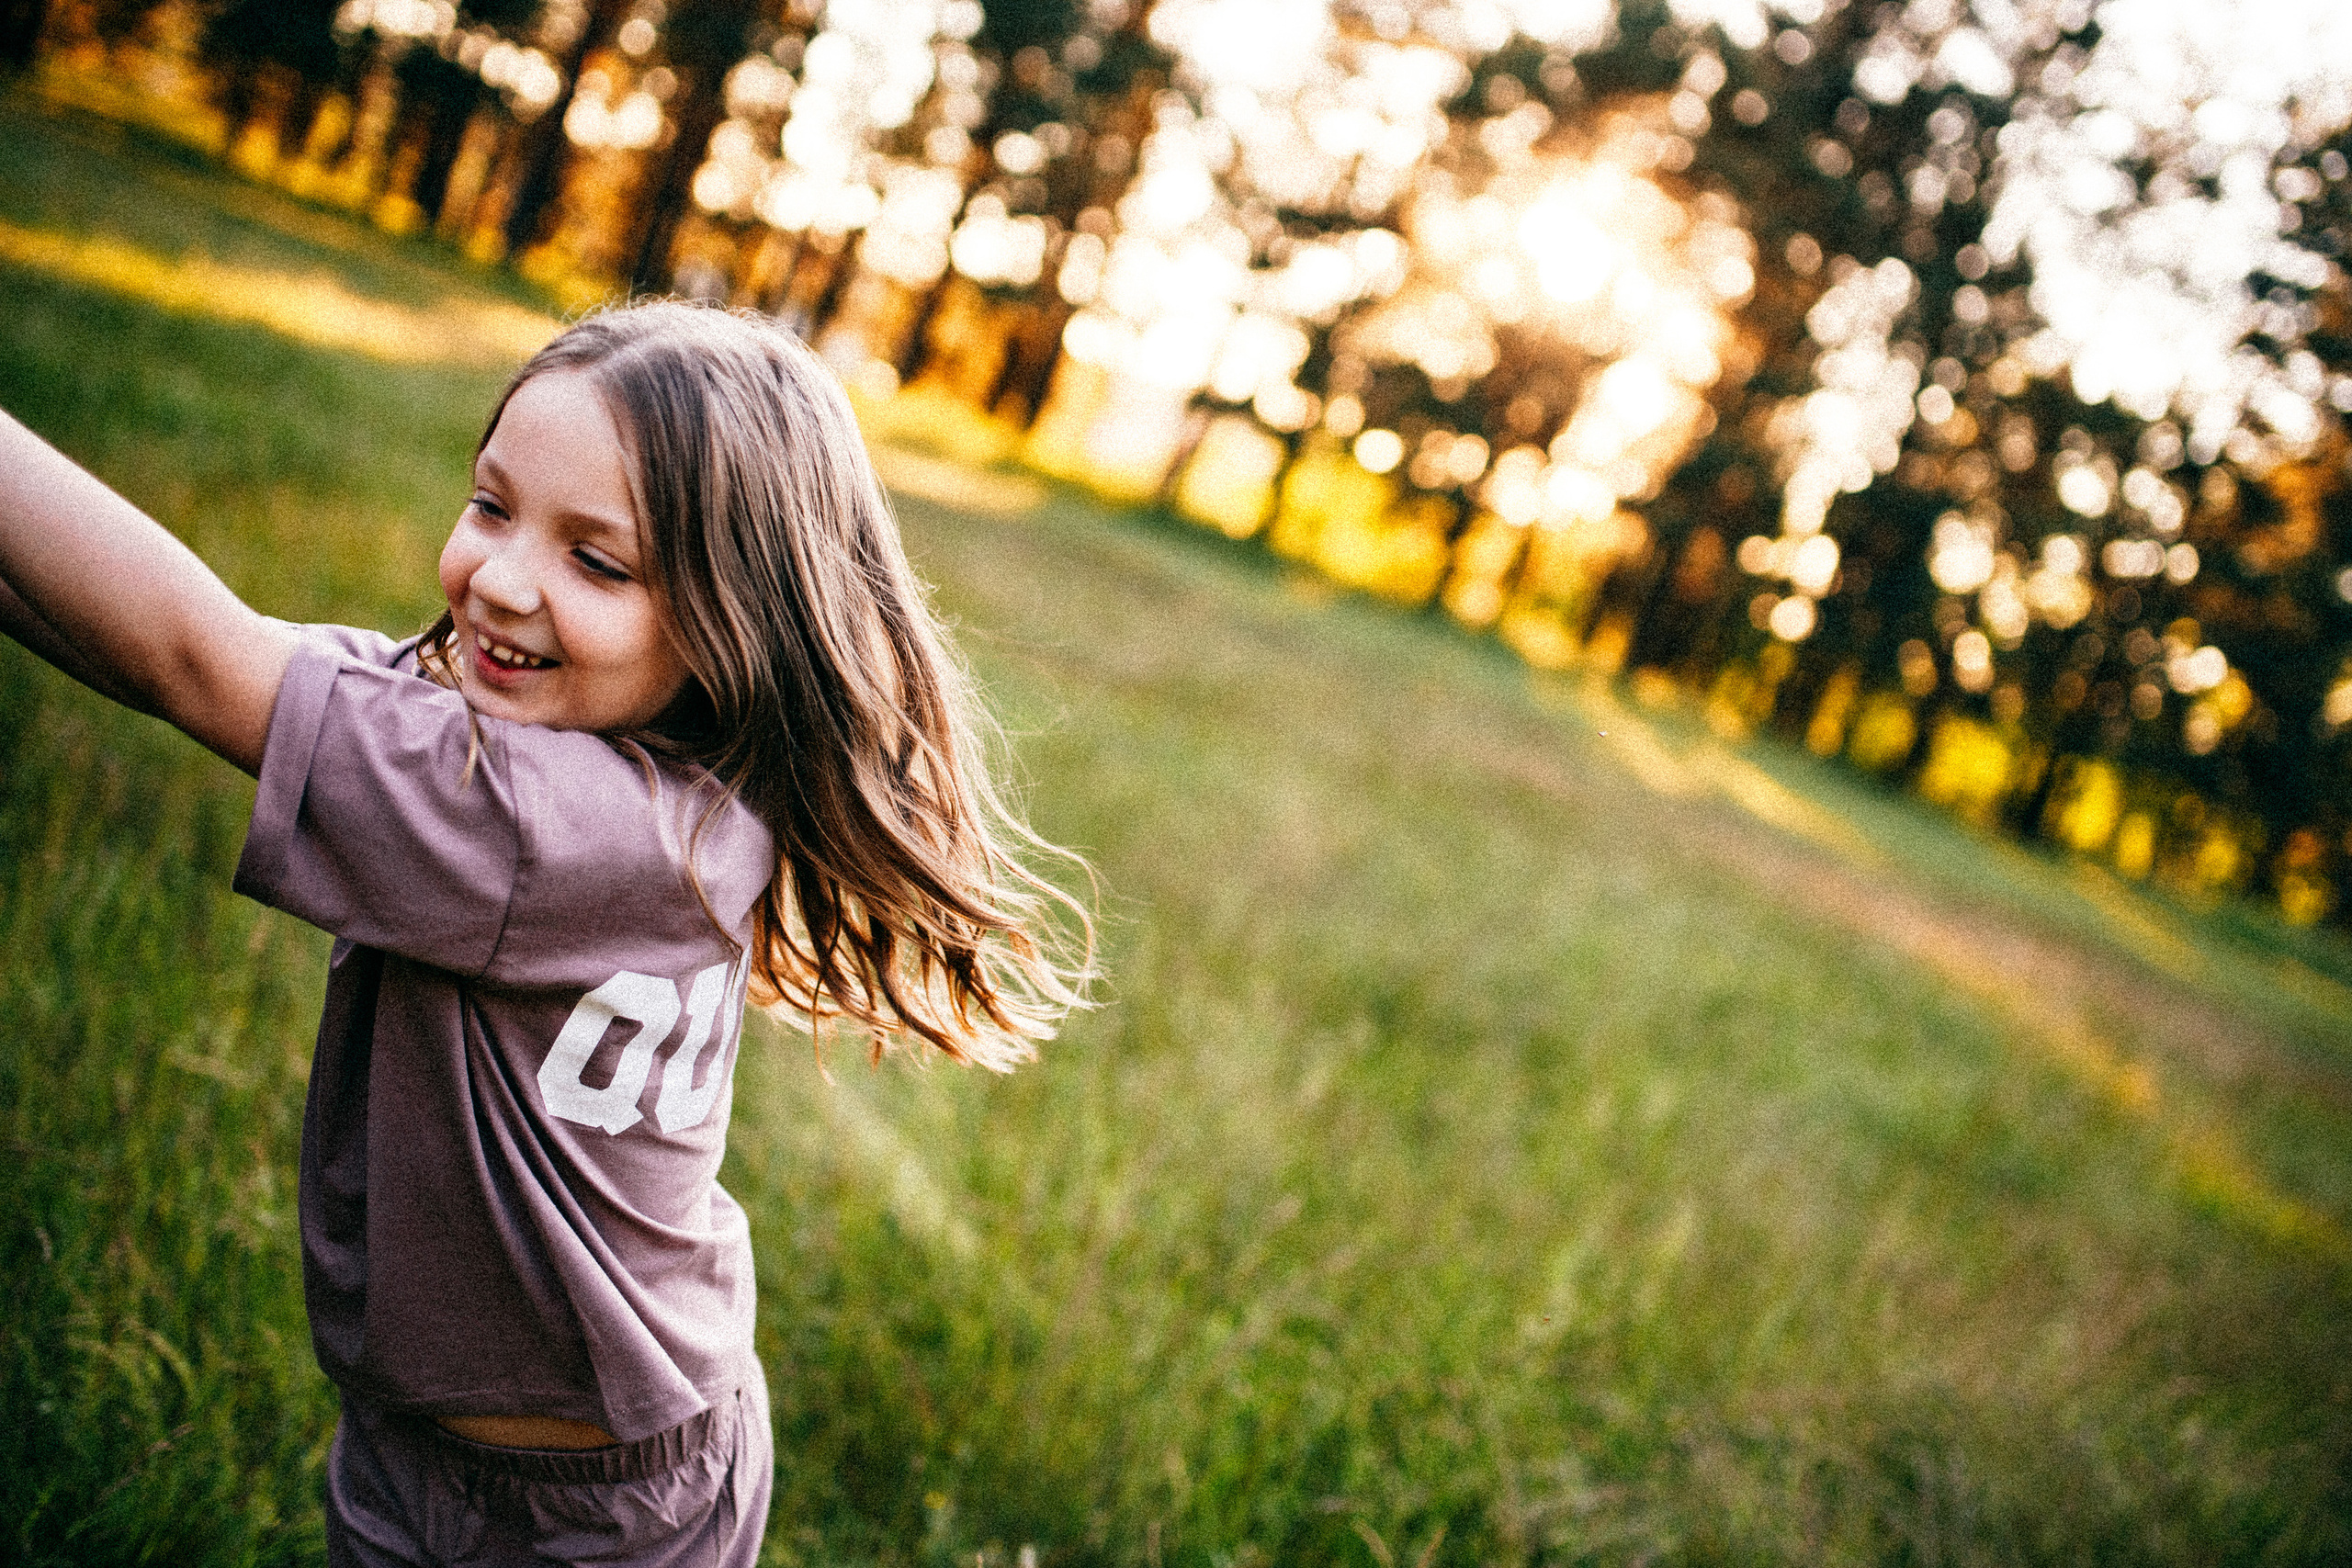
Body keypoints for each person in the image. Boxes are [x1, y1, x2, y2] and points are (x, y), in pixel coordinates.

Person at [0, 300, 1092, 1564]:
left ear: (732, 616)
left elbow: (194, 663)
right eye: (491, 506)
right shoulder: (618, 764)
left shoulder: (540, 822)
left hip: (589, 1518)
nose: (504, 580)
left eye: (599, 562)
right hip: (435, 1443)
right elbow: (168, 654)